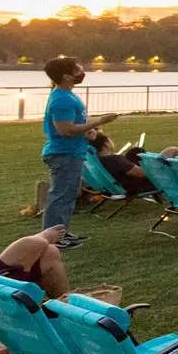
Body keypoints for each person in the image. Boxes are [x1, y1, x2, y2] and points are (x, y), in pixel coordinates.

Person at [41, 56, 117, 250]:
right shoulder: (62, 99)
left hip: (72, 152)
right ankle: (53, 239)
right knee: (60, 196)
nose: (82, 71)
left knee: (67, 196)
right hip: (64, 154)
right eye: (77, 69)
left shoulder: (67, 95)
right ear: (66, 76)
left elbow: (75, 125)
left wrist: (89, 132)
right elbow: (65, 130)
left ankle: (61, 232)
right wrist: (99, 121)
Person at [86, 130, 178, 196]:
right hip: (142, 183)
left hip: (122, 183)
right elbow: (143, 174)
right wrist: (155, 163)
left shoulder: (97, 160)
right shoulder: (114, 159)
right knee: (172, 150)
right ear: (106, 144)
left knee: (136, 152)